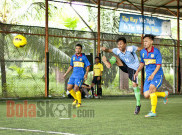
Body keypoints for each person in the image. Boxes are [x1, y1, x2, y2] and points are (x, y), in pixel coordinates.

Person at [101, 37, 142, 114]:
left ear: (125, 44)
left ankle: (138, 104)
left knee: (134, 84)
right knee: (115, 57)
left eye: (121, 44)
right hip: (125, 66)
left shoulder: (130, 48)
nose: (119, 46)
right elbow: (109, 50)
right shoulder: (117, 50)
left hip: (133, 68)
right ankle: (109, 63)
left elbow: (141, 49)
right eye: (118, 44)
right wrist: (104, 49)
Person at [134, 34, 169, 117]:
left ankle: (153, 112)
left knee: (152, 88)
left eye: (146, 41)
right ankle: (164, 94)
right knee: (146, 95)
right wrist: (137, 71)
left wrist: (153, 74)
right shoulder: (142, 52)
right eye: (144, 41)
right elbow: (142, 63)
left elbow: (158, 65)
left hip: (157, 75)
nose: (144, 43)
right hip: (148, 76)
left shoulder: (156, 52)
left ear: (151, 42)